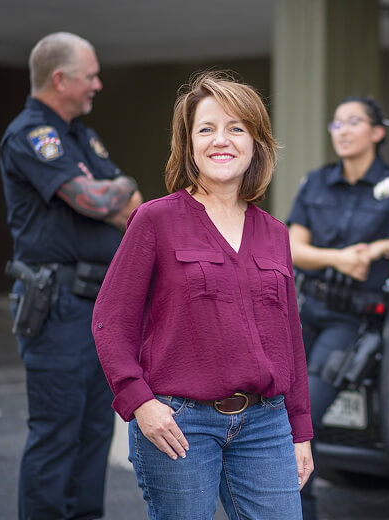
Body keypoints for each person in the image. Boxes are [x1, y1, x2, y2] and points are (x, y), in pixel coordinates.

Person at [91, 70, 313, 520]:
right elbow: (110, 322)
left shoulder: (275, 233)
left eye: (236, 129)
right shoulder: (154, 220)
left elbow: (290, 340)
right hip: (179, 422)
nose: (221, 140)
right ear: (188, 143)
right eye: (206, 129)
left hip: (266, 424)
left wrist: (300, 429)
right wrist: (140, 402)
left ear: (256, 143)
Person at [0, 32, 143, 520]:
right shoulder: (31, 134)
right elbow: (95, 199)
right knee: (57, 432)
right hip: (57, 306)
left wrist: (114, 195)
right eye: (90, 76)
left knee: (95, 431)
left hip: (98, 306)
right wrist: (119, 187)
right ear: (60, 80)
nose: (97, 85)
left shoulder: (81, 135)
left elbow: (129, 209)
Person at [286, 96, 389, 519]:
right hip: (302, 312)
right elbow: (292, 248)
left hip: (349, 321)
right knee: (279, 416)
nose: (343, 131)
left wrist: (385, 247)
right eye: (336, 124)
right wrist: (338, 259)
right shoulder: (316, 182)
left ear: (377, 132)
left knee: (301, 418)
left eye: (353, 122)